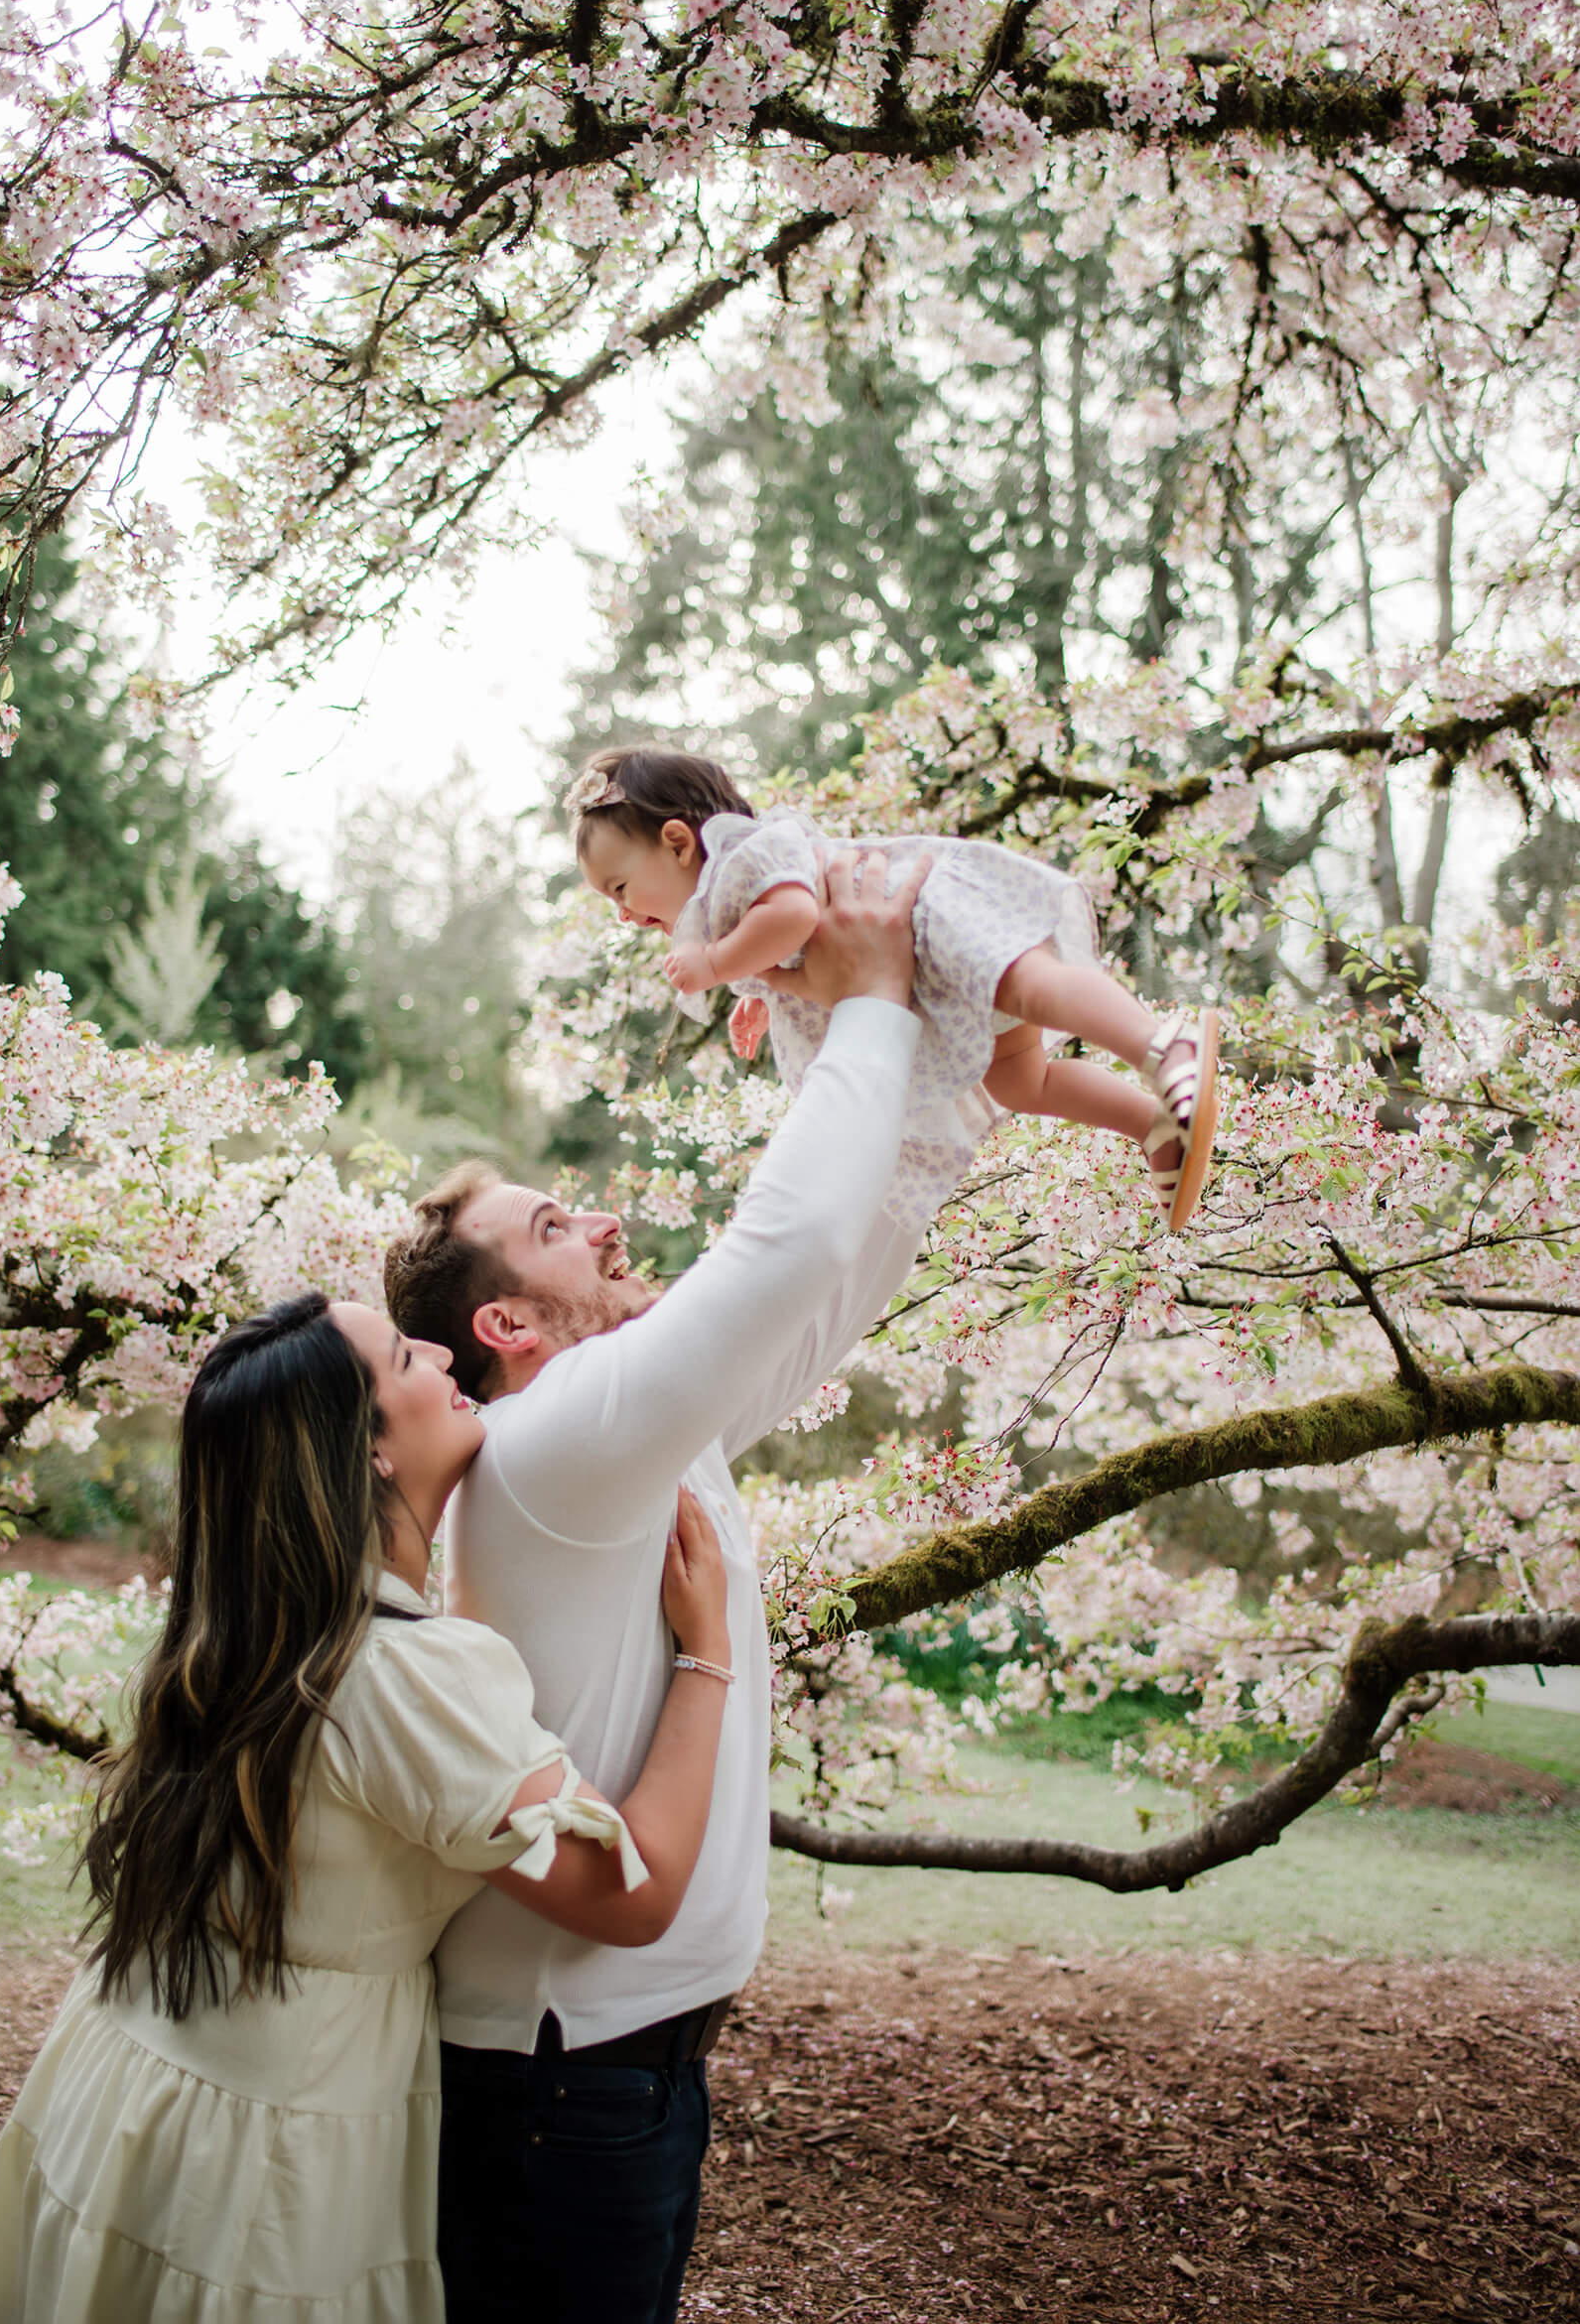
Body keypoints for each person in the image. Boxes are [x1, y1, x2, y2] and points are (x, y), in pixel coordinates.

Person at [382, 846, 933, 2324]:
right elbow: (788, 1244)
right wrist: (870, 1005)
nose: (608, 1222)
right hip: (566, 2083)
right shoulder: (557, 1435)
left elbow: (829, 1290)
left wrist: (926, 1060)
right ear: (506, 1321)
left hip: (612, 2066)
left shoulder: (616, 1440)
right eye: (557, 1229)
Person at [0, 1291, 731, 2324]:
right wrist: (704, 1651)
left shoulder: (254, 1631)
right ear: (363, 1451)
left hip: (130, 2082)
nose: (443, 1350)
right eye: (408, 1354)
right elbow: (633, 1895)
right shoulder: (400, 1672)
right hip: (264, 2145)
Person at [567, 742, 1222, 1232]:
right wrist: (759, 999)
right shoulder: (728, 904)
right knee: (1017, 1080)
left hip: (929, 922)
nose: (622, 913)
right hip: (918, 966)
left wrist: (717, 965)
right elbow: (786, 951)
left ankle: (1158, 1045)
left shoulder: (748, 855)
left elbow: (793, 917)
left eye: (618, 888)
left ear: (678, 842)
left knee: (1031, 984)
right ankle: (1153, 1125)